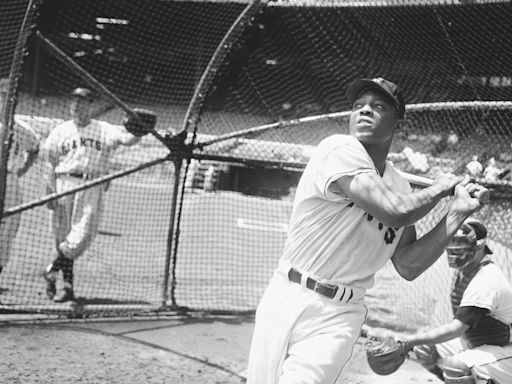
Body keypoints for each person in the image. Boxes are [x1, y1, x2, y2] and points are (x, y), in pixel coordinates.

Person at [246, 77, 487, 384]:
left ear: (397, 123)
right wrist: (440, 188)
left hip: (339, 312)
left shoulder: (399, 186)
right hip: (288, 293)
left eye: (378, 106)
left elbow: (409, 264)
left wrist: (457, 213)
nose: (364, 111)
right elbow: (395, 212)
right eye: (358, 105)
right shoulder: (337, 149)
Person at [41, 87, 142, 302]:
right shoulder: (60, 131)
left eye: (82, 102)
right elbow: (49, 164)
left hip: (91, 184)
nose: (77, 105)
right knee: (62, 238)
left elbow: (128, 140)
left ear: (91, 105)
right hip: (63, 183)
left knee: (83, 235)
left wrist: (140, 130)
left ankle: (51, 269)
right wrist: (50, 192)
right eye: (74, 101)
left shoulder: (103, 129)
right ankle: (67, 287)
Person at [396, 218, 512, 384]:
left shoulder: (487, 279)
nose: (456, 249)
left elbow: (456, 329)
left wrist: (408, 342)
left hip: (506, 350)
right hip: (482, 343)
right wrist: (416, 342)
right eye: (453, 243)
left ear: (480, 246)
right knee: (426, 349)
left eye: (462, 244)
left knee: (457, 367)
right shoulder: (465, 271)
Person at [0, 78, 40, 276]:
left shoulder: (22, 129)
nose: (7, 100)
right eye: (3, 96)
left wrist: (23, 169)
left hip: (10, 180)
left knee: (8, 229)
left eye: (11, 97)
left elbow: (34, 149)